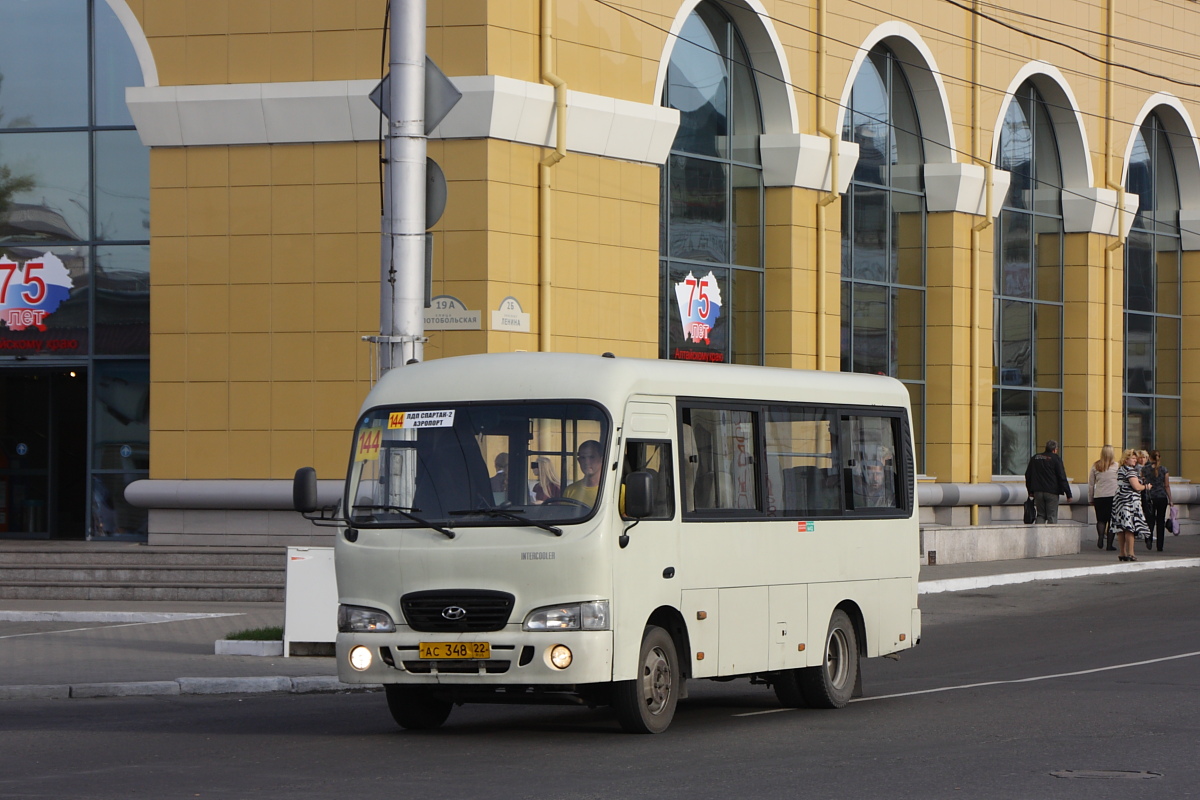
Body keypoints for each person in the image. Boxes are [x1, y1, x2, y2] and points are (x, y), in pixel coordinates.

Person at [1112, 448, 1152, 562]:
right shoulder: (1130, 471)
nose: (1135, 460)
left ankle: (1122, 552)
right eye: (1133, 458)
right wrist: (1146, 487)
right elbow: (1136, 487)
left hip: (1119, 501)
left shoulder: (1120, 469)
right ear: (1126, 459)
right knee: (1129, 528)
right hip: (1129, 502)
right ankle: (1131, 553)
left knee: (1121, 528)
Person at [1024, 440, 1072, 523]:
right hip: (1052, 492)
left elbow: (1028, 475)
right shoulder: (1056, 459)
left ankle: (1038, 534)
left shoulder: (1035, 457)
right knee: (1052, 516)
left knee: (1040, 515)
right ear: (1054, 450)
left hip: (1037, 491)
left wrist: (1030, 491)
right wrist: (1068, 494)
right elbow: (1061, 476)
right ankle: (1051, 535)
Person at [1088, 445, 1119, 550]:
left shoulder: (1095, 466)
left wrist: (1090, 498)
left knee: (1101, 520)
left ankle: (1100, 536)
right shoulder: (1116, 466)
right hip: (1113, 496)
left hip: (1099, 496)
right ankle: (1109, 545)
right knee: (1112, 521)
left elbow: (1091, 484)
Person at [1142, 449, 1174, 552]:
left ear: (1150, 458)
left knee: (1149, 520)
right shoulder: (1164, 470)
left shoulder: (1144, 469)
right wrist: (1171, 500)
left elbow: (1141, 482)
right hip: (1161, 497)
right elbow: (1167, 486)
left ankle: (1149, 538)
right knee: (1160, 521)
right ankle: (1160, 545)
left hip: (1149, 498)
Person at [563, 440, 603, 507]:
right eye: (583, 458)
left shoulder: (618, 490)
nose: (587, 462)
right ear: (579, 461)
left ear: (602, 459)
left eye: (591, 457)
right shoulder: (570, 490)